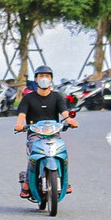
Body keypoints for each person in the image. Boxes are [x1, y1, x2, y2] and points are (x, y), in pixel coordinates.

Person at [13, 65, 78, 199]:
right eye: (41, 76)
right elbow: (22, 114)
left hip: (54, 133)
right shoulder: (28, 98)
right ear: (36, 80)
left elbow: (64, 112)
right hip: (35, 134)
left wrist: (69, 120)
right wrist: (19, 124)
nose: (44, 78)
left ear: (51, 79)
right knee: (34, 154)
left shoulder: (57, 97)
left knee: (62, 152)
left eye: (47, 76)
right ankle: (26, 183)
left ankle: (64, 180)